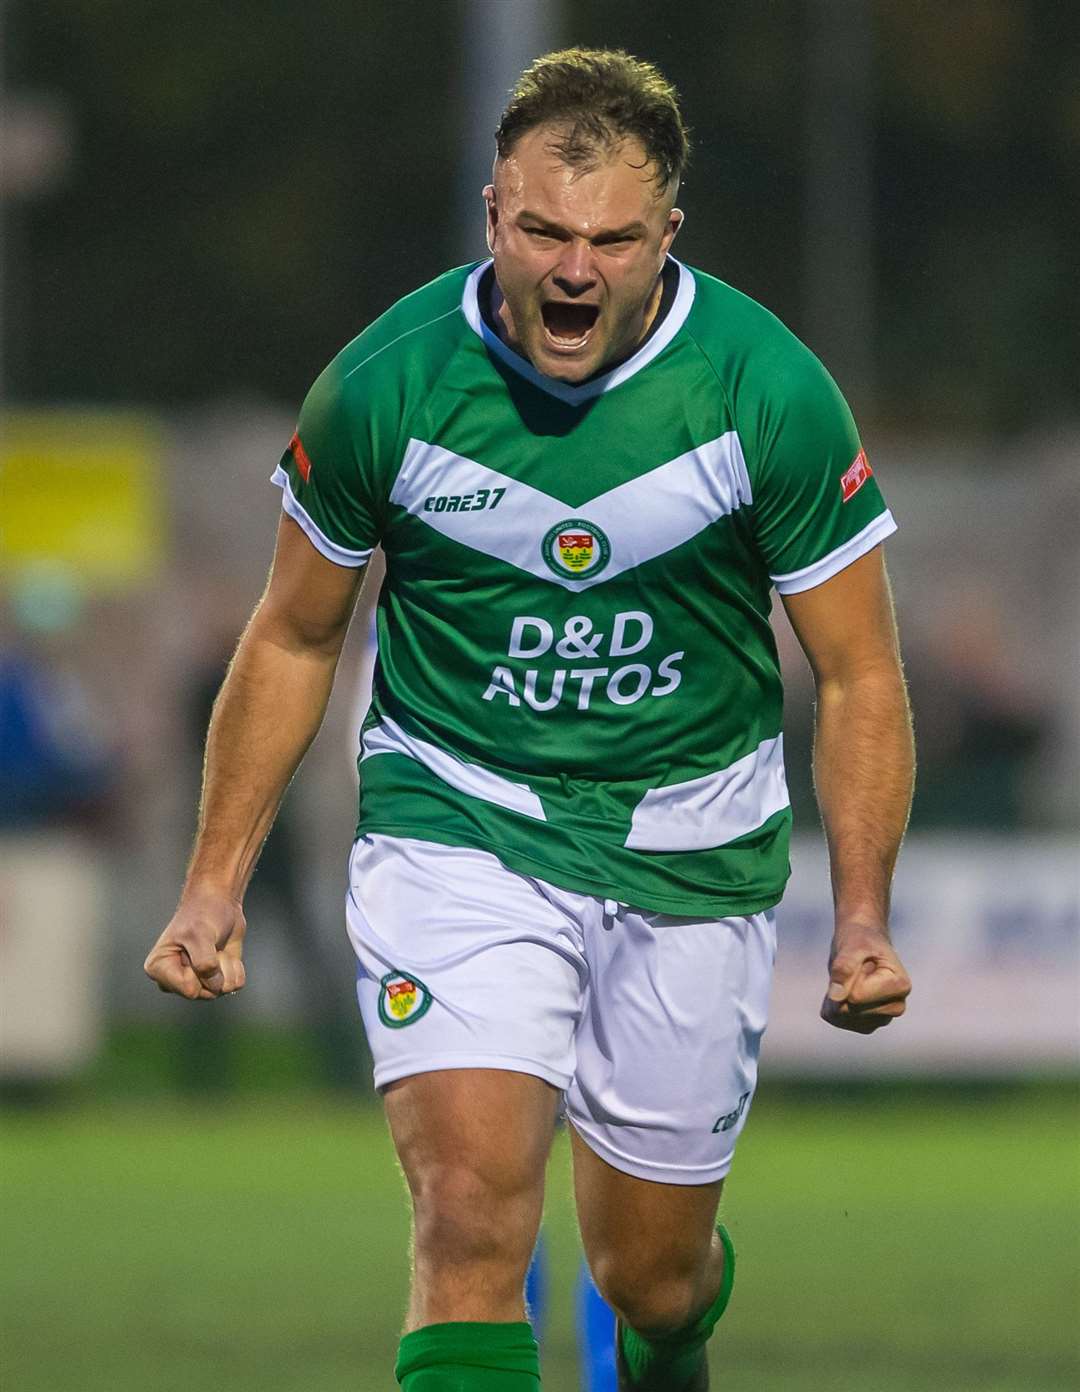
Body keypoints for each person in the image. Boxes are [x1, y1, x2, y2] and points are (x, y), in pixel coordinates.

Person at [144, 48, 914, 1392]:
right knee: (469, 1213)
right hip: (461, 826)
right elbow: (295, 632)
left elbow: (858, 675)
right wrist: (213, 884)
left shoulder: (762, 392)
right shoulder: (387, 387)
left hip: (693, 847)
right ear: (494, 214)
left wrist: (860, 919)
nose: (575, 271)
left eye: (613, 240)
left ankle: (674, 1330)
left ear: (665, 234)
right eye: (546, 233)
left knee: (649, 1279)